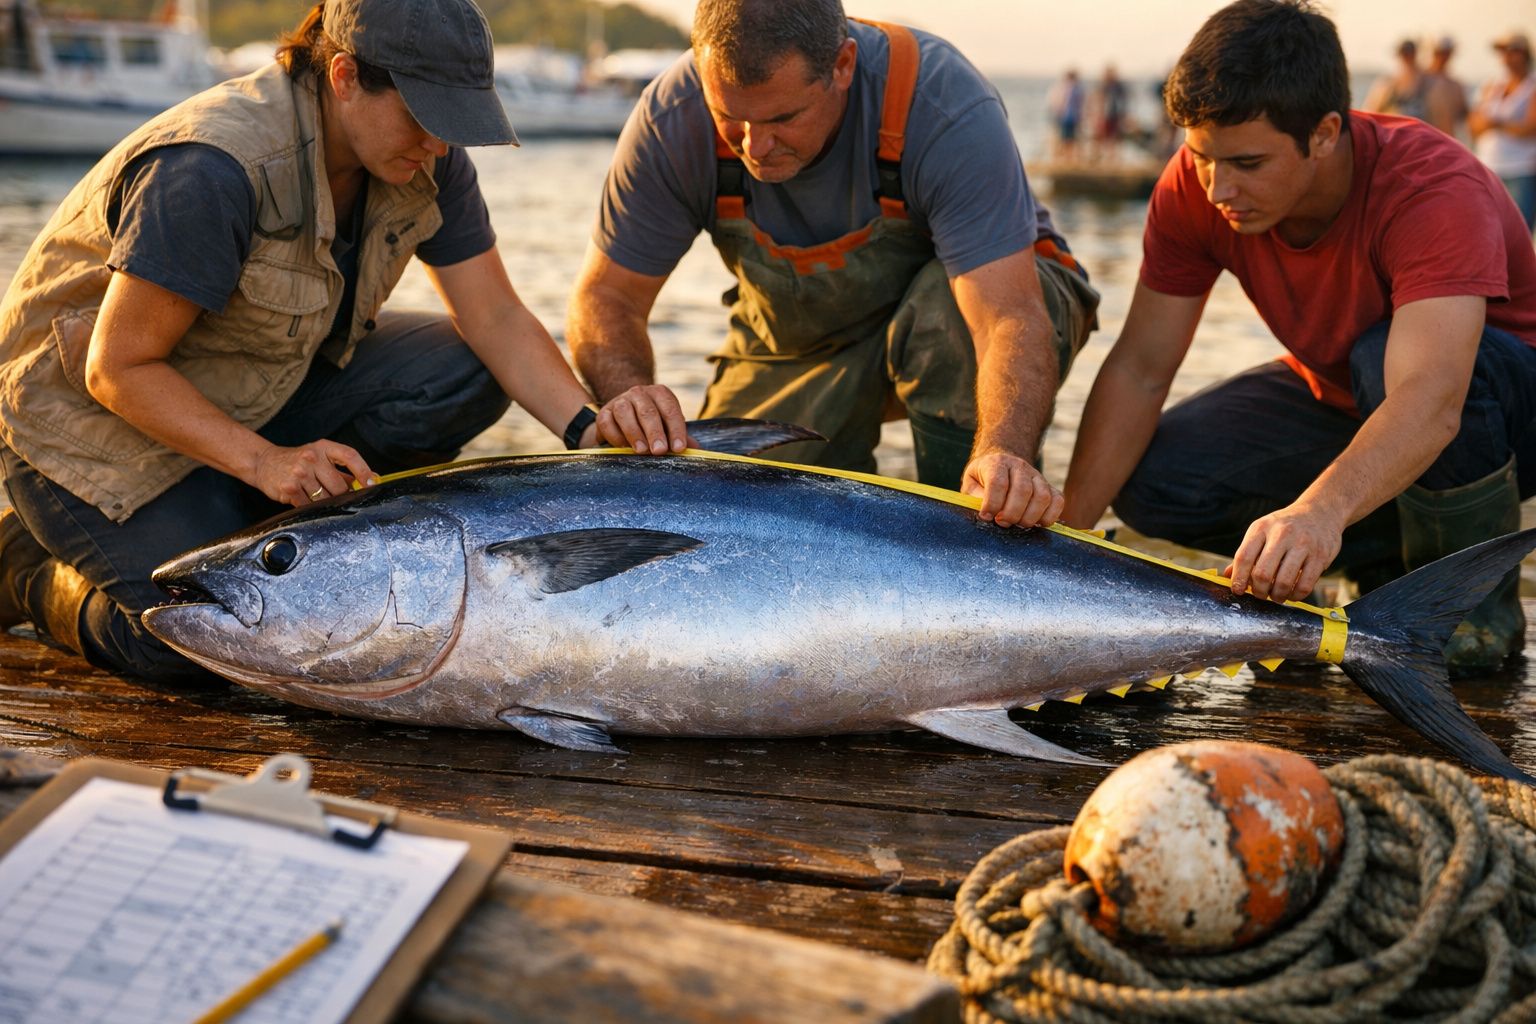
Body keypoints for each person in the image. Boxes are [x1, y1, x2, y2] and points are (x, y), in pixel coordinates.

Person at [0, 0, 675, 681]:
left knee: (463, 369)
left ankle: (263, 525)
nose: (439, 145)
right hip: (85, 430)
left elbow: (495, 317)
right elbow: (117, 369)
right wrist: (265, 463)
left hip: (250, 395)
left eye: (454, 121)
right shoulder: (209, 169)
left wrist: (587, 427)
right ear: (346, 76)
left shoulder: (426, 158)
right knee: (209, 644)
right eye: (424, 117)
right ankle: (23, 563)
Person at [1062, 0, 1536, 675]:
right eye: (1201, 158)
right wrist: (1064, 542)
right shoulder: (1196, 189)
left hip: (1498, 411)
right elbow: (1140, 369)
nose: (1218, 187)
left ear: (1324, 133)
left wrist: (1317, 513)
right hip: (1348, 394)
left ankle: (1466, 616)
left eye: (1248, 163)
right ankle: (1353, 570)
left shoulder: (1432, 186)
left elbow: (1433, 397)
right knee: (1157, 480)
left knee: (1385, 360)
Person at [565, 0, 1100, 530]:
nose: (755, 146)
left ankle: (982, 537)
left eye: (783, 118)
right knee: (730, 513)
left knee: (946, 320)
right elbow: (605, 298)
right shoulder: (668, 117)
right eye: (729, 117)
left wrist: (1005, 453)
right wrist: (629, 397)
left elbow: (1007, 314)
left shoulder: (942, 100)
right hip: (798, 338)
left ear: (843, 66)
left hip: (981, 312)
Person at [1469, 31, 1536, 231]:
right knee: (1486, 231)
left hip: (1521, 169)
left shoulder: (1532, 86)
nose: (1505, 56)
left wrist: (1496, 124)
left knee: (1519, 231)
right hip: (1488, 167)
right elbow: (1474, 124)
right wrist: (1501, 125)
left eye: (1510, 51)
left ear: (1524, 54)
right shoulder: (1492, 86)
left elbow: (1531, 128)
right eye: (1503, 52)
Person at [1363, 38, 1432, 123]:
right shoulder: (1387, 84)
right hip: (1394, 132)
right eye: (1405, 55)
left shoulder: (1427, 85)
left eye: (1410, 54)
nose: (1407, 59)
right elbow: (1368, 115)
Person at [1425, 35, 1470, 140]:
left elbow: (1465, 115)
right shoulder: (1420, 80)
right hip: (1424, 139)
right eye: (1439, 53)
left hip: (1446, 141)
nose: (1443, 57)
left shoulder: (1456, 85)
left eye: (1446, 53)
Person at [1048, 68, 1086, 161]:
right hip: (1073, 117)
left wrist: (1057, 112)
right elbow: (1080, 104)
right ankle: (1070, 157)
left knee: (1066, 138)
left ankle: (1066, 158)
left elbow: (1059, 103)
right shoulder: (1077, 88)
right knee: (1071, 138)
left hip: (1066, 116)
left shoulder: (1065, 88)